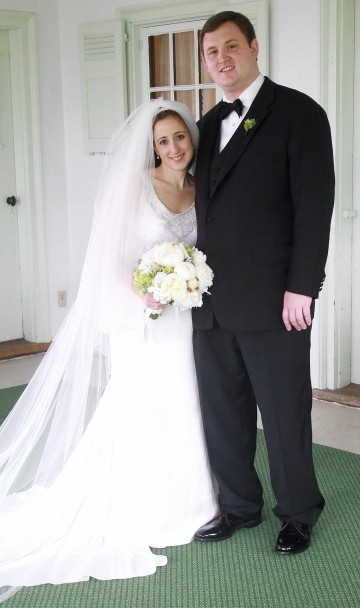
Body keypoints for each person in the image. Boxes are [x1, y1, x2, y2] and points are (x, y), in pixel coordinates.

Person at [0, 99, 217, 602]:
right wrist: (143, 291)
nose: (173, 147)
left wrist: (184, 284)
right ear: (152, 147)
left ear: (191, 138)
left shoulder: (201, 186)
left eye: (179, 137)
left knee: (189, 404)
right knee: (145, 407)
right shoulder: (137, 185)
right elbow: (106, 250)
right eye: (162, 141)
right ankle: (145, 506)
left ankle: (194, 503)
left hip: (188, 318)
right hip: (142, 317)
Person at [192, 11, 335, 555]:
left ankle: (298, 512)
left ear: (254, 48)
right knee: (222, 412)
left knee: (283, 413)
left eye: (231, 46)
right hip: (208, 303)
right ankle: (238, 506)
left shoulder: (300, 114)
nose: (221, 59)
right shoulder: (203, 128)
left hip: (277, 301)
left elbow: (314, 207)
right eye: (211, 52)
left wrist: (304, 286)